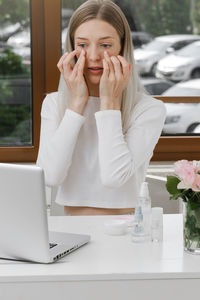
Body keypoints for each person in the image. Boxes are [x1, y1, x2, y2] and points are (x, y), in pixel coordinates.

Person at [36, 0, 166, 216]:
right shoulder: (53, 104)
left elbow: (113, 178)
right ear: (71, 48)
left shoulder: (148, 109)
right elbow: (49, 176)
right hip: (70, 230)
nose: (94, 56)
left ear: (122, 49)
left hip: (128, 234)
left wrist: (110, 102)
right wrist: (76, 103)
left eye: (105, 45)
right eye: (83, 45)